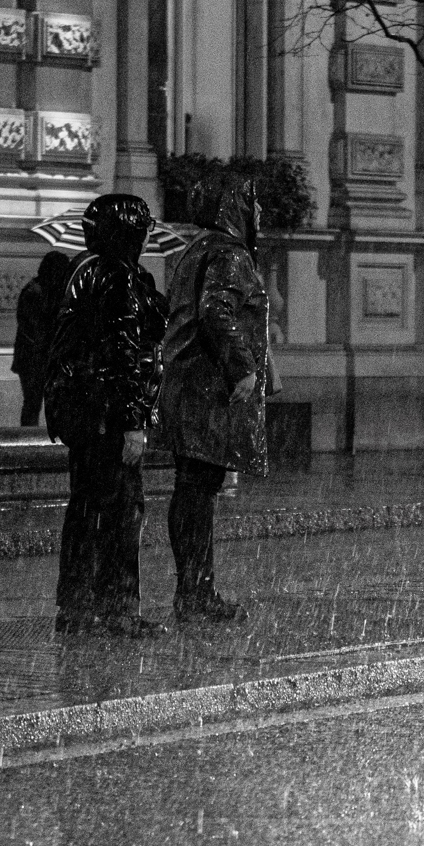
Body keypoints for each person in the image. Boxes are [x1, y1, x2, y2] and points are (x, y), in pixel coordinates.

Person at [43, 193, 170, 637]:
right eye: (144, 227)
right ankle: (117, 608)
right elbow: (123, 352)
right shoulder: (117, 276)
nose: (148, 235)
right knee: (120, 512)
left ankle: (78, 606)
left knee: (87, 508)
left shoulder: (87, 270)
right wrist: (133, 422)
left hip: (87, 411)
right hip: (108, 415)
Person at [153, 178, 274, 624]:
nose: (258, 214)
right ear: (234, 208)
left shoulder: (197, 249)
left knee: (192, 488)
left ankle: (194, 589)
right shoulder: (230, 254)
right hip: (206, 388)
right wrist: (242, 367)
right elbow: (215, 311)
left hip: (188, 384)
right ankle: (196, 593)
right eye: (252, 204)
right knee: (198, 490)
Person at [12, 249, 77, 428]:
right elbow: (37, 327)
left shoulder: (42, 290)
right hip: (35, 357)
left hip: (37, 356)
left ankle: (35, 437)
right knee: (34, 403)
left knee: (36, 403)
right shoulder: (36, 292)